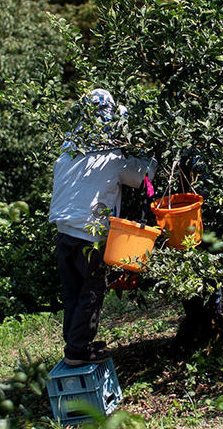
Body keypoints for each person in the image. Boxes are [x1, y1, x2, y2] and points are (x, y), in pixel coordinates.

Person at [49, 89, 155, 367]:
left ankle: (73, 343)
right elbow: (144, 174)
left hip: (64, 231)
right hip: (89, 235)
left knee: (73, 290)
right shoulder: (110, 158)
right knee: (92, 289)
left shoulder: (68, 151)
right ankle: (78, 351)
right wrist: (150, 152)